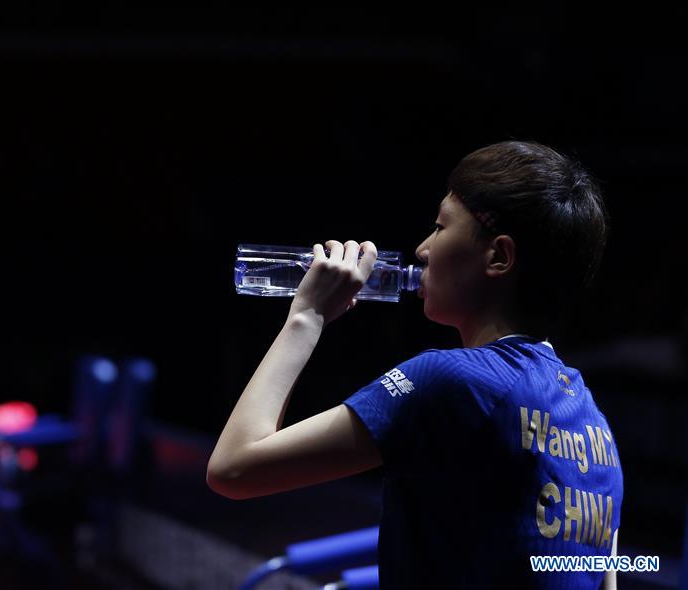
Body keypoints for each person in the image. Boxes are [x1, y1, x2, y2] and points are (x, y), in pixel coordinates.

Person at [207, 141, 622, 589]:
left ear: (499, 257)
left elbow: (233, 469)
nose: (423, 249)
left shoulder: (450, 380)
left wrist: (307, 317)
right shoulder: (597, 430)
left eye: (441, 227)